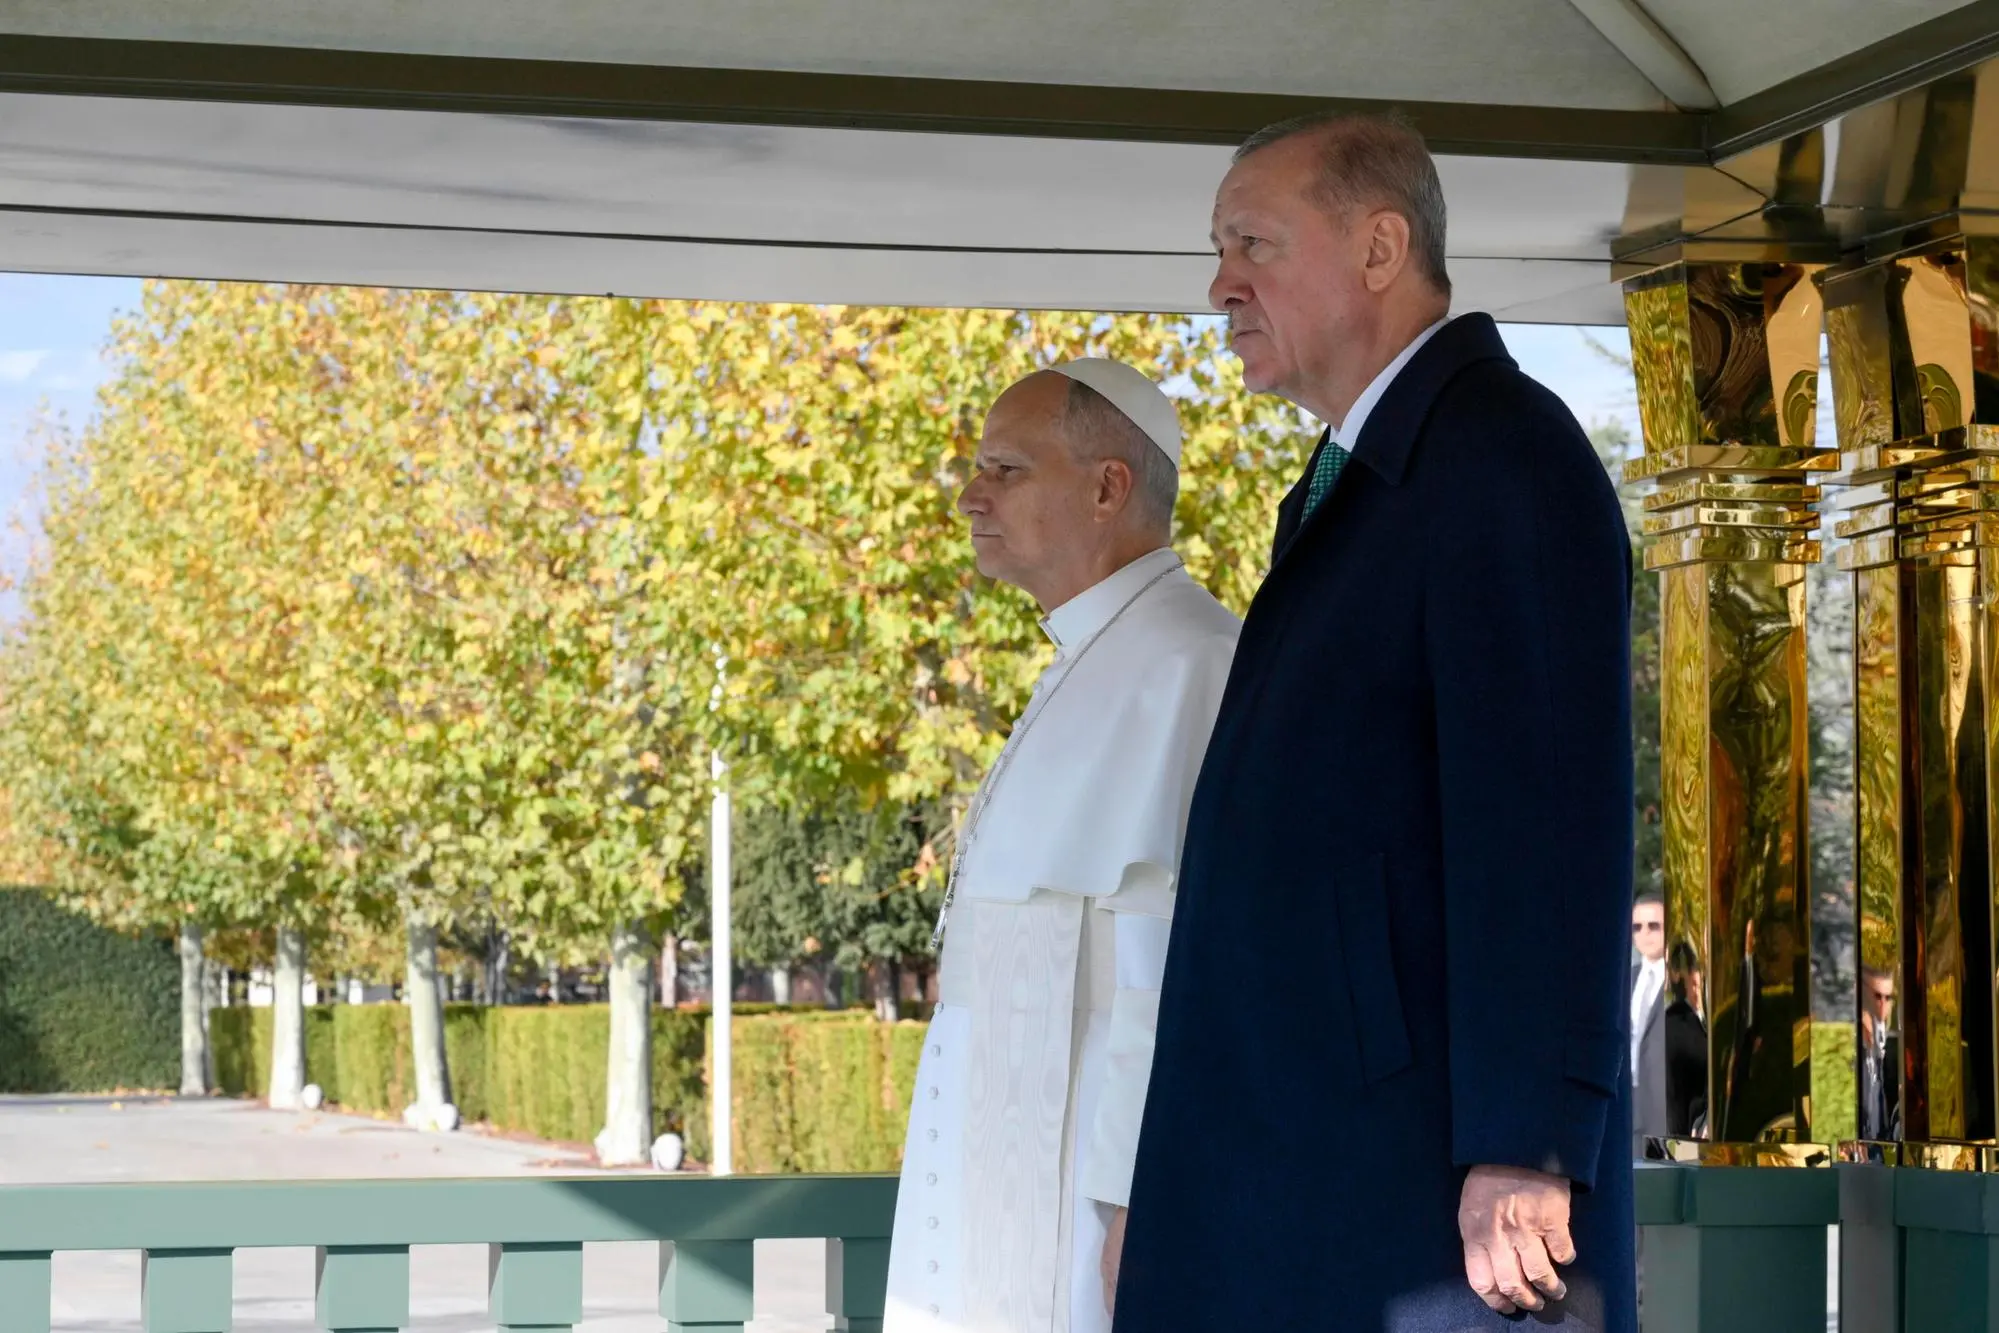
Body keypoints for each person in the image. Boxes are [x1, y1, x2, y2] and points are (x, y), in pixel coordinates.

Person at [1113, 109, 1636, 1332]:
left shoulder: (1504, 459)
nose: (1220, 283)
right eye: (1217, 245)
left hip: (1415, 1192)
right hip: (1315, 1161)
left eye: (1254, 242)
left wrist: (1526, 1139)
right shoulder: (1364, 476)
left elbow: (1546, 816)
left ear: (1380, 247)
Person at [884, 359, 1241, 1333]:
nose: (971, 495)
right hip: (1003, 1150)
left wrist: (1140, 1200)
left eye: (1004, 469)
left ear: (1106, 486)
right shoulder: (1091, 650)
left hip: (1087, 1181)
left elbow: (1160, 971)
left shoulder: (1191, 662)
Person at [1631, 894, 1668, 1147]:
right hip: (1627, 1110)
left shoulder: (1687, 981)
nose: (1645, 933)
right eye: (1637, 927)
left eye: (1654, 925)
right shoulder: (1625, 979)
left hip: (1667, 1113)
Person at [1857, 964, 1898, 1142]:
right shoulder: (1852, 1041)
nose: (1883, 1004)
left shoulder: (1882, 1041)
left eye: (1888, 997)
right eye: (1877, 996)